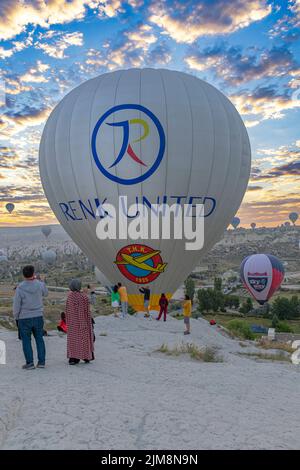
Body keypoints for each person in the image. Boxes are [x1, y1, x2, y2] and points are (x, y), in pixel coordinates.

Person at [13, 265, 48, 370]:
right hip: (38, 315)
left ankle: (30, 363)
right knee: (39, 339)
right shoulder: (40, 285)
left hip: (24, 317)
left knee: (26, 341)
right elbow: (46, 294)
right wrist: (41, 281)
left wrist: (16, 317)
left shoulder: (20, 287)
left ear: (23, 275)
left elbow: (16, 305)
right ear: (33, 273)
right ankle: (41, 362)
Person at [65, 279, 94, 365]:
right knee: (84, 340)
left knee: (73, 340)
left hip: (73, 323)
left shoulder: (70, 297)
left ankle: (74, 358)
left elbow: (67, 310)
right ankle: (86, 356)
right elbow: (86, 310)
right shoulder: (84, 296)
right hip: (84, 322)